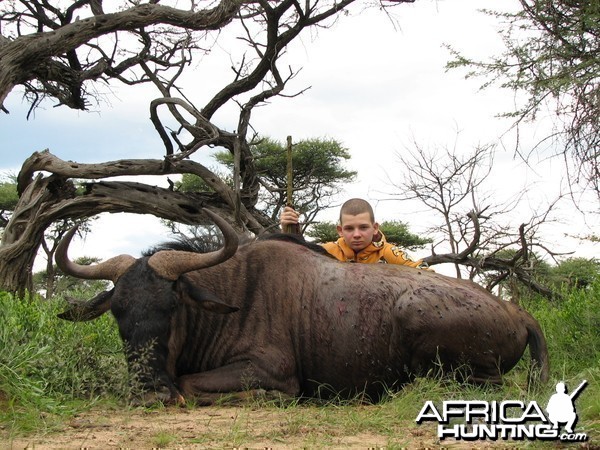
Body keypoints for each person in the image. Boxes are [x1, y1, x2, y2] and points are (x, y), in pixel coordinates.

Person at [280, 198, 427, 267]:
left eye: (363, 227)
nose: (356, 234)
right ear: (340, 230)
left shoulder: (389, 253)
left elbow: (424, 272)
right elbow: (297, 263)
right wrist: (288, 230)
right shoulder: (327, 252)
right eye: (349, 228)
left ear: (375, 227)